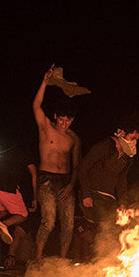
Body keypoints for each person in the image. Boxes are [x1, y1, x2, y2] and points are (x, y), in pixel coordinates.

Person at [33, 66, 82, 260]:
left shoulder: (74, 138)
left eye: (68, 121)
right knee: (49, 221)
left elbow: (76, 165)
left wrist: (71, 185)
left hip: (65, 181)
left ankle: (62, 259)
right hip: (46, 178)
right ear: (56, 117)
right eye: (62, 120)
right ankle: (37, 258)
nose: (65, 124)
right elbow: (36, 105)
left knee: (68, 223)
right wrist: (45, 82)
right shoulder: (46, 128)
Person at [78, 116, 139, 258]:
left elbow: (122, 180)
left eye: (137, 139)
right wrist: (86, 194)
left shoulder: (128, 158)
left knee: (121, 226)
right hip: (93, 195)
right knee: (106, 225)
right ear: (122, 133)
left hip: (109, 198)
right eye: (132, 138)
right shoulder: (106, 146)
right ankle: (98, 260)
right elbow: (83, 167)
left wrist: (122, 203)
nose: (134, 142)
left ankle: (110, 261)